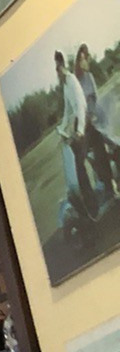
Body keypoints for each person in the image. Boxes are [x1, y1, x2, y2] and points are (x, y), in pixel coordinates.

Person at [75, 44, 120, 199]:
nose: (84, 61)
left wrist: (91, 114)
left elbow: (94, 97)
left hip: (96, 118)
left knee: (113, 145)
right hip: (88, 124)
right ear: (77, 62)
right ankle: (109, 186)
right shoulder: (76, 82)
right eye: (81, 59)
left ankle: (113, 182)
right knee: (98, 155)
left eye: (86, 58)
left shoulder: (89, 77)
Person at [57, 49, 97, 222]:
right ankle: (86, 201)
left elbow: (80, 105)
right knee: (76, 164)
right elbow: (68, 110)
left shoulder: (72, 80)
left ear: (62, 66)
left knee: (80, 164)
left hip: (85, 122)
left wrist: (80, 130)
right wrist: (61, 128)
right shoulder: (65, 85)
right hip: (77, 124)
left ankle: (91, 205)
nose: (57, 72)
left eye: (58, 68)